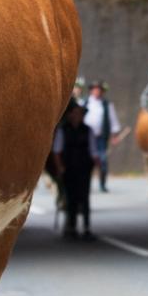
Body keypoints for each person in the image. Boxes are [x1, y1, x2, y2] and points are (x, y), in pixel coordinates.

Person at [50, 101, 96, 239]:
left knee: (85, 197)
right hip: (69, 168)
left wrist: (95, 163)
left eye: (80, 113)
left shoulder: (88, 130)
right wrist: (60, 167)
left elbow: (93, 150)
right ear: (70, 115)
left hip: (84, 167)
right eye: (75, 113)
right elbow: (57, 151)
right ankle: (71, 226)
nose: (78, 116)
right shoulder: (63, 130)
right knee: (71, 198)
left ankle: (87, 228)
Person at [83, 81, 124, 192]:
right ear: (91, 90)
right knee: (85, 163)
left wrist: (114, 135)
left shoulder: (107, 105)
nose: (97, 91)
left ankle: (102, 184)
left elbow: (113, 120)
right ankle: (85, 184)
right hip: (86, 138)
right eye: (95, 89)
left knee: (103, 160)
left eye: (99, 89)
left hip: (100, 138)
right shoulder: (85, 103)